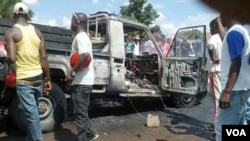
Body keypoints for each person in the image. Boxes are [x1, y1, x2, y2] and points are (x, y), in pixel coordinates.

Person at [4, 2, 52, 141]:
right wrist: (48, 78)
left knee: (32, 116)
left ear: (14, 15)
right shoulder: (37, 32)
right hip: (38, 78)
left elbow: (12, 58)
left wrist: (4, 59)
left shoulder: (12, 32)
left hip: (25, 80)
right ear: (27, 15)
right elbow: (43, 57)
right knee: (34, 114)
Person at [214, 13, 250, 141]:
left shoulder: (234, 33)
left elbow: (236, 62)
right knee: (236, 130)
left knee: (222, 128)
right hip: (241, 89)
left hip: (234, 91)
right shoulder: (242, 32)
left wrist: (227, 92)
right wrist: (219, 26)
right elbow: (227, 39)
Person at [65, 12, 99, 141]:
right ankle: (91, 133)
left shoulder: (80, 37)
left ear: (76, 22)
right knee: (81, 112)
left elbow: (84, 55)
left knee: (80, 115)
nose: (70, 23)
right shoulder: (82, 37)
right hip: (81, 81)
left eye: (71, 20)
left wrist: (73, 73)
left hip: (82, 82)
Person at [204, 18, 223, 132]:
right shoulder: (224, 37)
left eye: (211, 27)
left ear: (215, 27)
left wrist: (212, 58)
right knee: (221, 96)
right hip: (223, 71)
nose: (210, 30)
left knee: (216, 99)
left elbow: (210, 47)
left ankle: (217, 126)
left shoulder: (215, 37)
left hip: (215, 71)